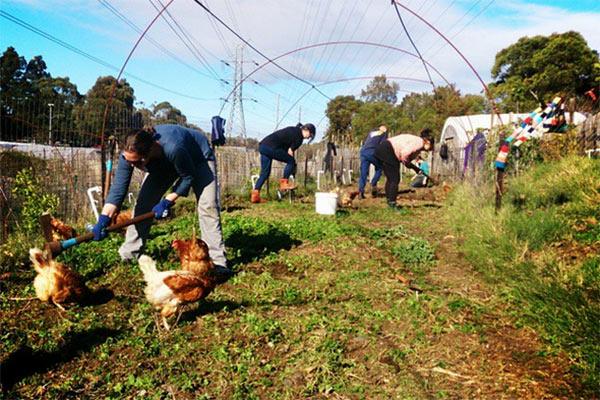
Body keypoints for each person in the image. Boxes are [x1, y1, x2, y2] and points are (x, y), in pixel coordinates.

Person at [92, 124, 229, 275]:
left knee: (208, 206)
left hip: (198, 158)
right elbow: (118, 188)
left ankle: (217, 263)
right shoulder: (129, 154)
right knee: (143, 205)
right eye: (129, 161)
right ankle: (129, 254)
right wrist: (104, 217)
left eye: (136, 163)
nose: (132, 165)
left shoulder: (174, 148)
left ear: (149, 152)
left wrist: (167, 201)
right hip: (162, 165)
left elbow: (188, 177)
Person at [250, 123, 316, 203]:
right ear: (306, 130)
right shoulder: (299, 137)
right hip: (272, 147)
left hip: (263, 146)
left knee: (265, 173)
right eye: (310, 135)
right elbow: (290, 152)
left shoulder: (293, 130)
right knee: (291, 161)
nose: (309, 137)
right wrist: (293, 166)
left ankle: (255, 196)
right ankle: (284, 183)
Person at [374, 129, 433, 210]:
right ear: (428, 143)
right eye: (431, 147)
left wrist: (415, 168)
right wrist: (412, 166)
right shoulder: (419, 142)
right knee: (395, 179)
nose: (430, 150)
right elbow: (404, 154)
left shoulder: (417, 142)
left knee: (391, 179)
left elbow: (406, 159)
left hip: (382, 149)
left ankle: (389, 201)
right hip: (388, 150)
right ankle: (392, 203)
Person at [358, 125, 388, 198]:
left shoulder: (371, 132)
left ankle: (360, 191)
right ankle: (373, 184)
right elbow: (383, 145)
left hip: (364, 152)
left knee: (363, 172)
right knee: (380, 167)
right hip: (372, 152)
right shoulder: (383, 134)